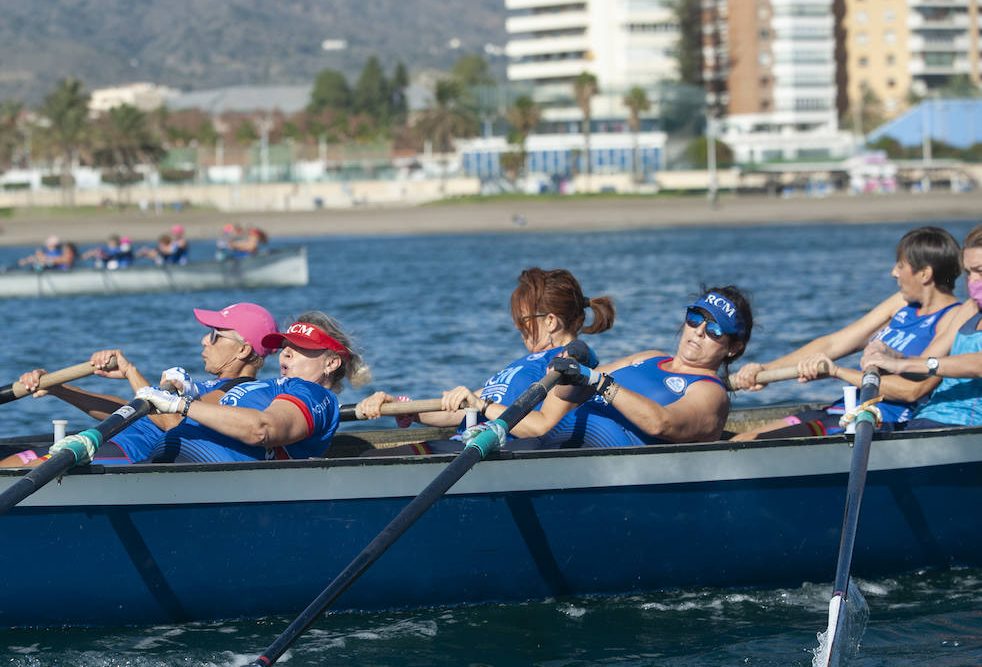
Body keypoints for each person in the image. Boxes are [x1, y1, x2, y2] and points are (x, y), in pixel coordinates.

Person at [730, 226, 964, 439]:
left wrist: (839, 372)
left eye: (901, 266)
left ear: (925, 274)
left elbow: (913, 390)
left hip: (877, 420)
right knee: (740, 440)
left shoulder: (954, 318)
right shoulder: (901, 304)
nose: (894, 273)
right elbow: (832, 344)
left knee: (749, 443)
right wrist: (765, 370)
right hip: (842, 409)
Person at [355, 267, 616, 455]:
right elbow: (461, 409)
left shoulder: (571, 356)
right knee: (364, 460)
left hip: (490, 446)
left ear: (550, 321)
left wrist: (482, 404)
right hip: (467, 441)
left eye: (522, 321)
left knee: (368, 461)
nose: (518, 328)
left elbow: (541, 422)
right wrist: (405, 408)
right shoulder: (522, 366)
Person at [0, 302, 278, 467]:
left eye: (215, 335)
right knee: (6, 466)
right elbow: (128, 412)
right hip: (101, 440)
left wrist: (130, 372)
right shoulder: (203, 386)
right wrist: (60, 390)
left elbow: (172, 422)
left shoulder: (237, 394)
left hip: (127, 455)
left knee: (24, 470)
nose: (205, 341)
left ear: (243, 350)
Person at [515, 286, 755, 448]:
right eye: (695, 318)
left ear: (733, 348)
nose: (699, 331)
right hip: (556, 441)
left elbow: (662, 423)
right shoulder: (651, 356)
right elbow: (571, 394)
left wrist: (600, 383)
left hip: (595, 460)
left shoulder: (711, 392)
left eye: (714, 330)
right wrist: (568, 377)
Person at [137, 312, 371, 463]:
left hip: (204, 480)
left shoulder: (315, 395)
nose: (286, 352)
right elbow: (211, 413)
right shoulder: (267, 387)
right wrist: (188, 391)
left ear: (331, 363)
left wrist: (181, 404)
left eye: (301, 347)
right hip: (161, 466)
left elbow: (262, 429)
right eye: (285, 345)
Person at [862, 222, 982, 428]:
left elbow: (978, 365)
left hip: (964, 427)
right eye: (968, 273)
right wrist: (892, 355)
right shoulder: (970, 309)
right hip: (927, 419)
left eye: (980, 271)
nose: (972, 281)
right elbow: (926, 363)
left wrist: (903, 364)